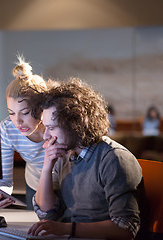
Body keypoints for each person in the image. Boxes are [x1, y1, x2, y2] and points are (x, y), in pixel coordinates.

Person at [28, 78, 143, 239]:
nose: (46, 136)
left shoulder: (115, 159)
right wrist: (47, 166)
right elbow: (47, 214)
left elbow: (125, 227)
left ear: (75, 124)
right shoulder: (64, 156)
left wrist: (66, 229)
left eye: (51, 128)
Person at [0, 56, 48, 210]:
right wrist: (0, 193)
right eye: (11, 113)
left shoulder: (57, 126)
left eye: (25, 112)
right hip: (35, 184)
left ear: (42, 108)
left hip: (69, 183)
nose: (17, 122)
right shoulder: (8, 129)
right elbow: (4, 181)